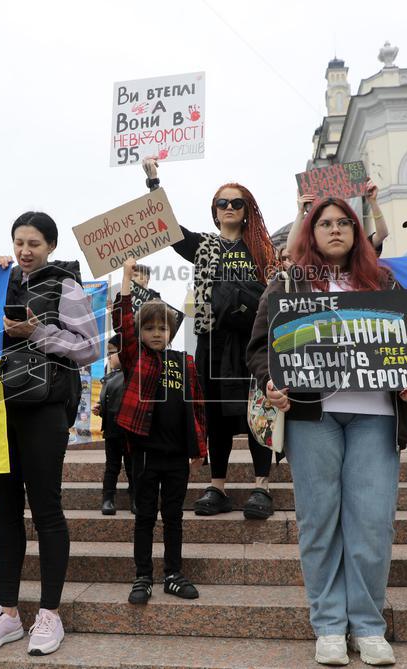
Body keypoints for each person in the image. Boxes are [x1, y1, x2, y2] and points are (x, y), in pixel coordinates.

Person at [247, 197, 407, 667]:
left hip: (377, 415)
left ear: (356, 230)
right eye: (324, 223)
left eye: (343, 222)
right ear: (310, 232)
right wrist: (270, 382)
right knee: (318, 521)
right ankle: (328, 624)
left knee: (371, 523)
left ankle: (368, 625)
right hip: (313, 416)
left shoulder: (384, 280)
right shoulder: (286, 283)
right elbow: (259, 347)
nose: (334, 230)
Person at [0, 212, 99, 656]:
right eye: (20, 242)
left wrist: (38, 332)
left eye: (35, 244)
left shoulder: (66, 286)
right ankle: (6, 611)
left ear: (51, 247)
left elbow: (89, 348)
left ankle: (50, 613)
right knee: (5, 510)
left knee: (46, 508)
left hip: (45, 408)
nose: (26, 251)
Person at [143, 157, 279, 520]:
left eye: (238, 203)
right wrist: (154, 182)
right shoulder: (202, 246)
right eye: (224, 203)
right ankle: (217, 486)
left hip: (252, 343)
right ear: (215, 212)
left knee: (256, 412)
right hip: (212, 341)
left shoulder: (262, 250)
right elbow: (169, 230)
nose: (230, 207)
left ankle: (262, 485)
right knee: (216, 414)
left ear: (247, 211)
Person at [114, 258, 207, 605]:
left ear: (170, 331)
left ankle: (172, 573)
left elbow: (197, 407)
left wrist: (201, 449)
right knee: (144, 517)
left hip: (176, 457)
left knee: (173, 517)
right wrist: (126, 278)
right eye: (149, 327)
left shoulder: (185, 362)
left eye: (162, 328)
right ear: (141, 332)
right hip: (144, 454)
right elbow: (122, 323)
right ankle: (142, 576)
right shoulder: (136, 357)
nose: (156, 332)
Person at [94, 335, 135, 515]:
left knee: (133, 465)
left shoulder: (133, 374)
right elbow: (108, 401)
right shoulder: (109, 377)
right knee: (112, 466)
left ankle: (136, 497)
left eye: (112, 353)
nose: (109, 357)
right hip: (112, 430)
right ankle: (108, 497)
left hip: (130, 430)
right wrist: (100, 408)